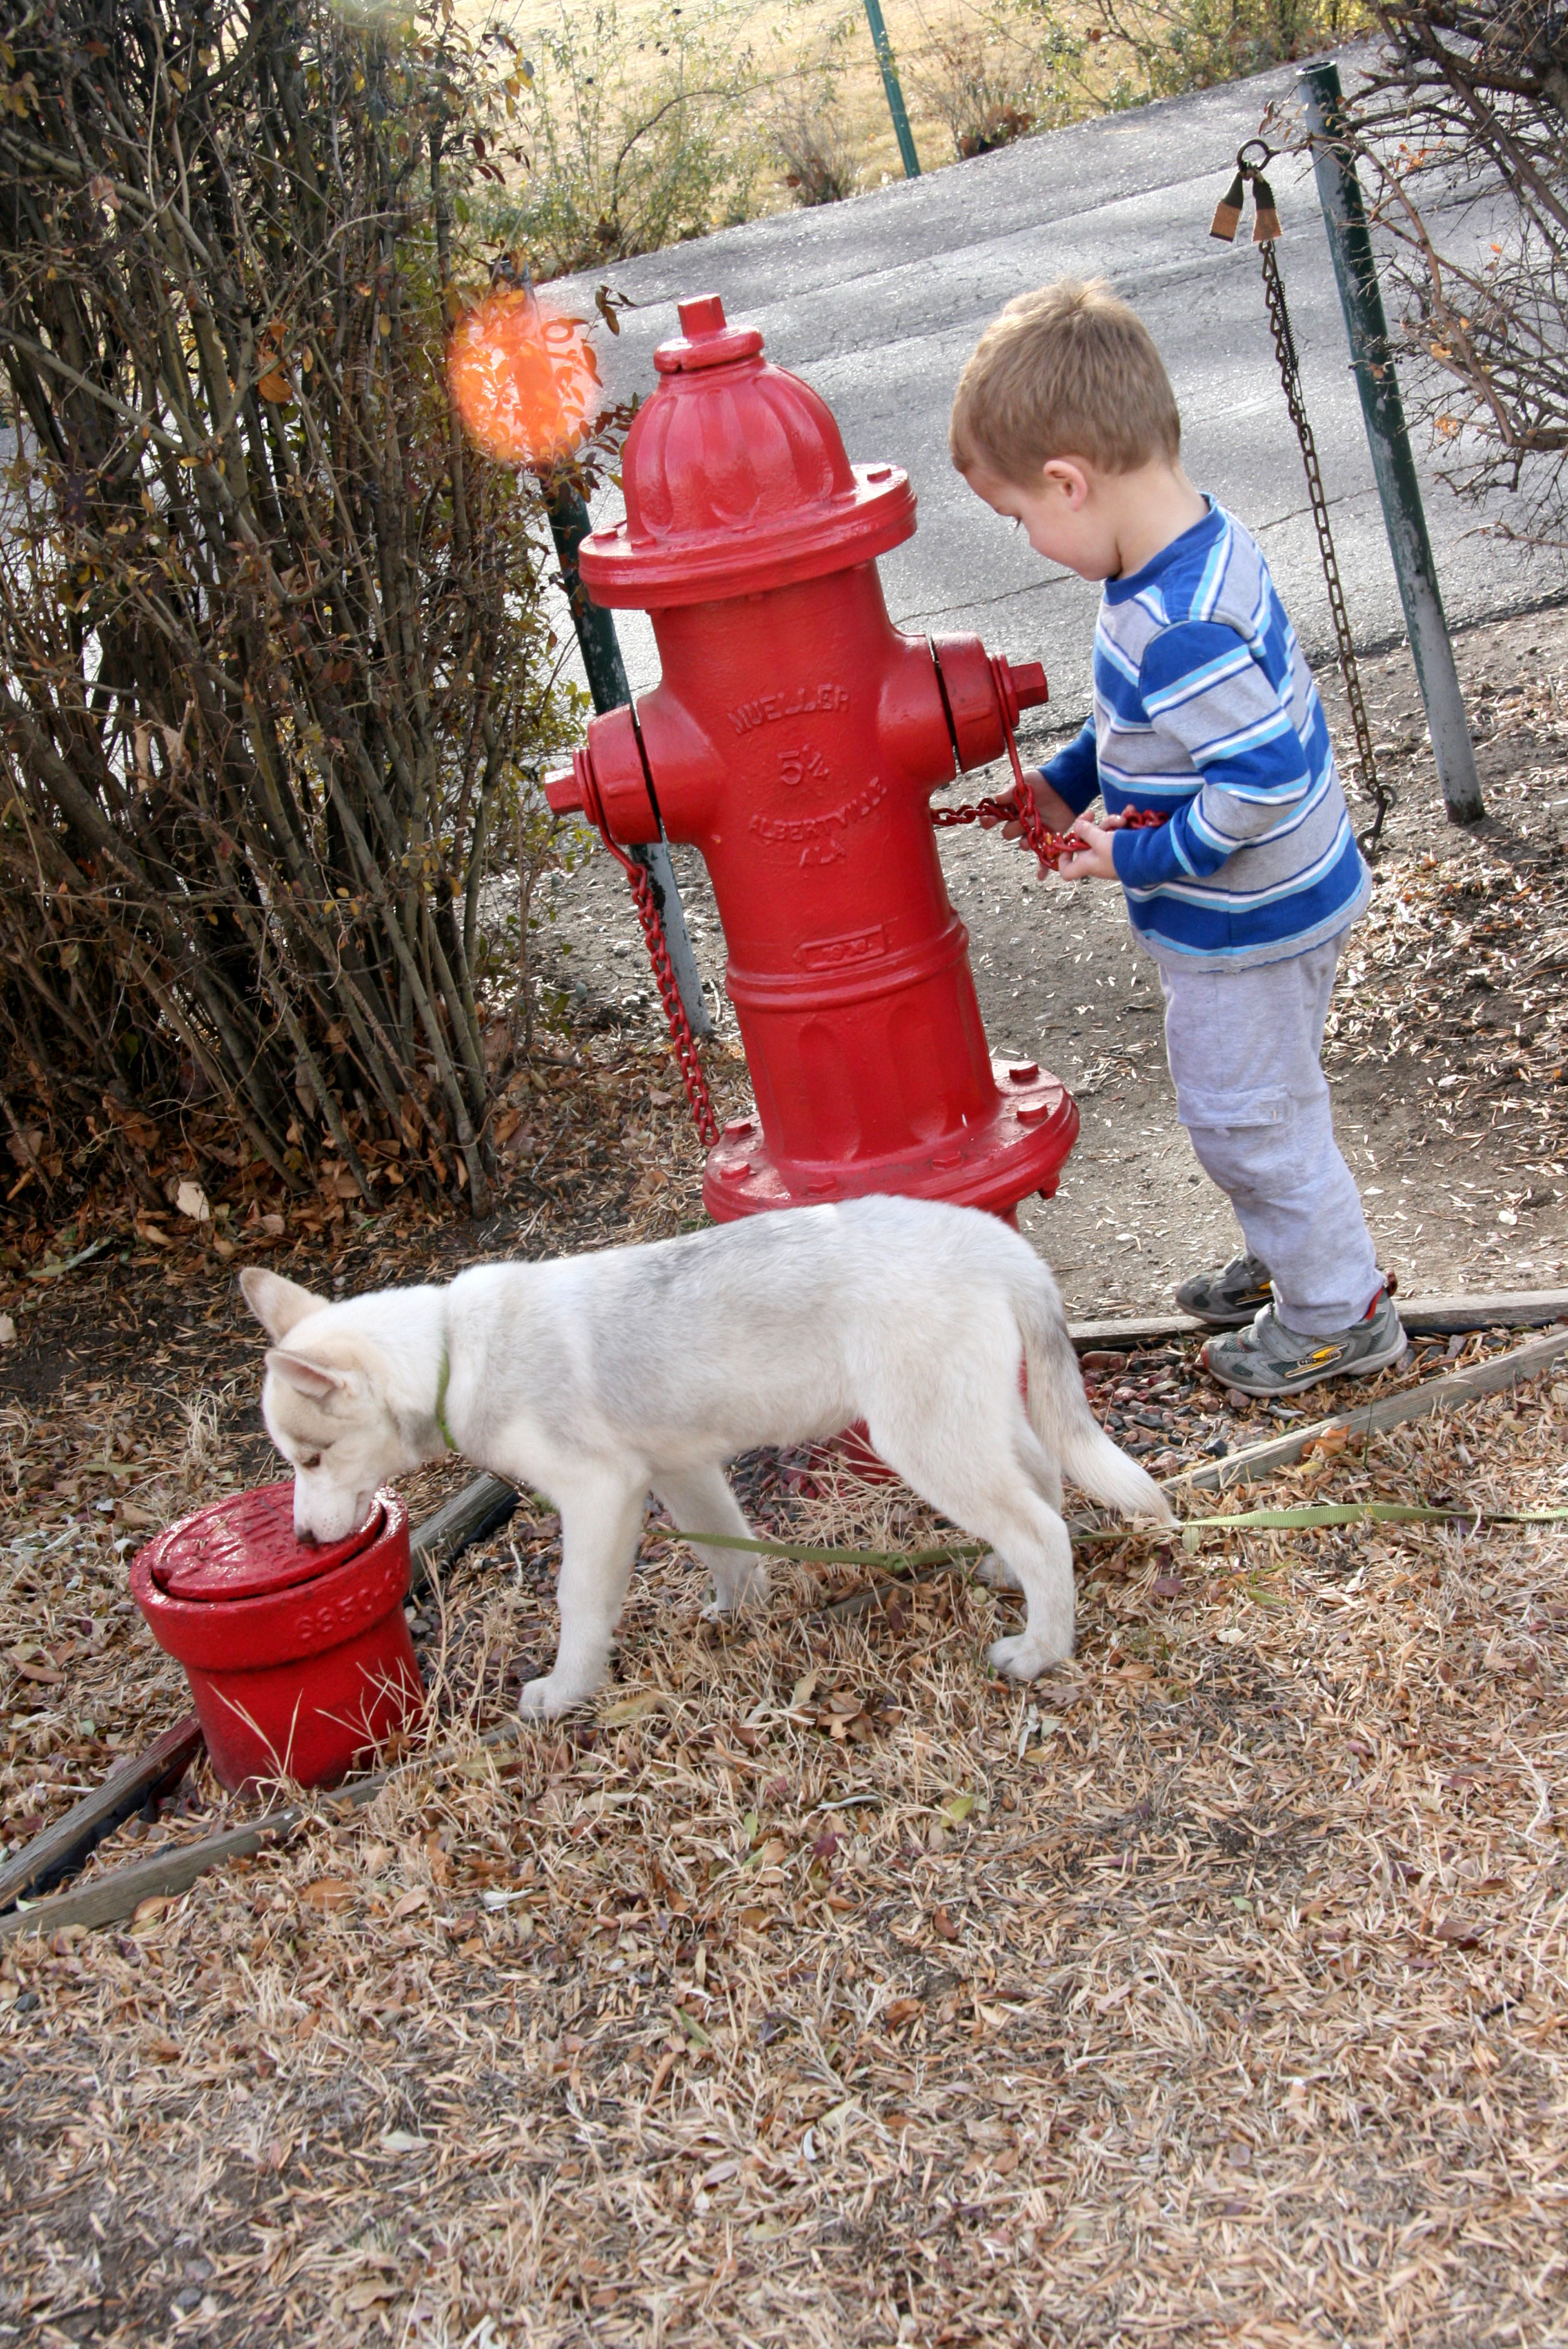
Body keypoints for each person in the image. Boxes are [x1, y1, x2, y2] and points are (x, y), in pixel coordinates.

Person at [950, 277, 1405, 1398]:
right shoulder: (1196, 547)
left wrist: (1133, 857)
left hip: (1249, 921)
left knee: (1246, 1121)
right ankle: (1294, 1252)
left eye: (1019, 517)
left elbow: (1257, 786)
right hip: (1285, 896)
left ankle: (1337, 1313)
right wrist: (1065, 786)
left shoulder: (1175, 623)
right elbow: (1150, 730)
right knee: (1265, 1102)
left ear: (1070, 481)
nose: (1028, 539)